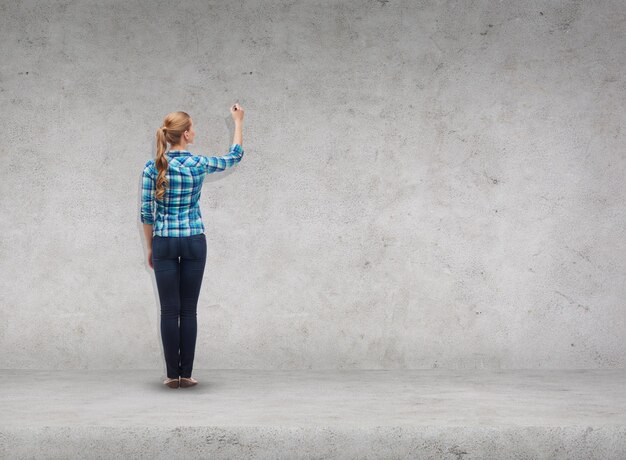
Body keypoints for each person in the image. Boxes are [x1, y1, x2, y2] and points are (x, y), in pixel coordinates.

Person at [141, 104, 245, 389]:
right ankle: (185, 375)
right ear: (186, 134)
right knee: (188, 310)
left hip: (163, 240)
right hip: (194, 240)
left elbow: (146, 214)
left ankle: (171, 376)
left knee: (168, 310)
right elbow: (234, 156)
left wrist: (151, 247)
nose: (194, 132)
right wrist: (238, 122)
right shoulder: (199, 164)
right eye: (193, 128)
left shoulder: (153, 167)